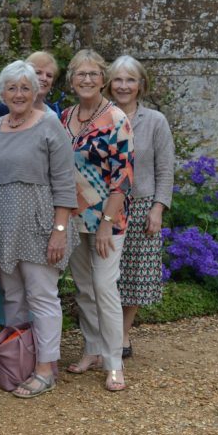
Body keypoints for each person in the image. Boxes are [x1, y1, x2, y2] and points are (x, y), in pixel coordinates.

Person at [0, 61, 79, 398]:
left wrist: (60, 229)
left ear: (35, 91)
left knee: (42, 296)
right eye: (12, 88)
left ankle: (45, 369)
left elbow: (65, 182)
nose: (19, 94)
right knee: (13, 297)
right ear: (2, 93)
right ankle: (18, 363)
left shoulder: (50, 125)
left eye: (25, 88)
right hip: (3, 227)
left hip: (41, 226)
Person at [61, 50, 134, 392]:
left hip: (108, 218)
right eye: (80, 74)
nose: (87, 79)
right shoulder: (65, 117)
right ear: (71, 79)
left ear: (102, 79)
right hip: (73, 216)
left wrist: (106, 222)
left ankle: (114, 361)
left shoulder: (116, 118)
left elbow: (123, 177)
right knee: (84, 287)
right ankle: (92, 348)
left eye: (93, 74)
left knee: (105, 287)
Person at [106, 55, 174, 359]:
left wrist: (157, 209)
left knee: (133, 275)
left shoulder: (155, 121)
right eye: (118, 79)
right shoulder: (101, 117)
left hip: (141, 204)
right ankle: (102, 333)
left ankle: (122, 334)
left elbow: (166, 169)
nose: (123, 86)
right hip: (105, 206)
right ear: (109, 83)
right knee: (104, 274)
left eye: (130, 80)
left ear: (141, 84)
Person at [0, 51, 63, 119]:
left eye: (49, 75)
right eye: (38, 72)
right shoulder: (3, 109)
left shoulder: (56, 112)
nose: (44, 78)